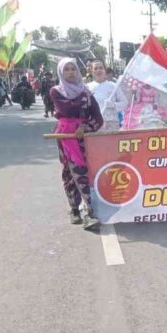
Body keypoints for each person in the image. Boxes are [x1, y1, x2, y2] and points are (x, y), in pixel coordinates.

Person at [51, 58, 103, 230]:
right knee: (72, 171)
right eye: (67, 70)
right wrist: (83, 103)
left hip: (84, 137)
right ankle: (80, 210)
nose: (71, 72)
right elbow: (67, 109)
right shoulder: (56, 91)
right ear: (61, 73)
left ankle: (83, 210)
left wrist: (86, 126)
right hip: (66, 137)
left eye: (73, 69)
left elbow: (98, 118)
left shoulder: (86, 92)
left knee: (81, 171)